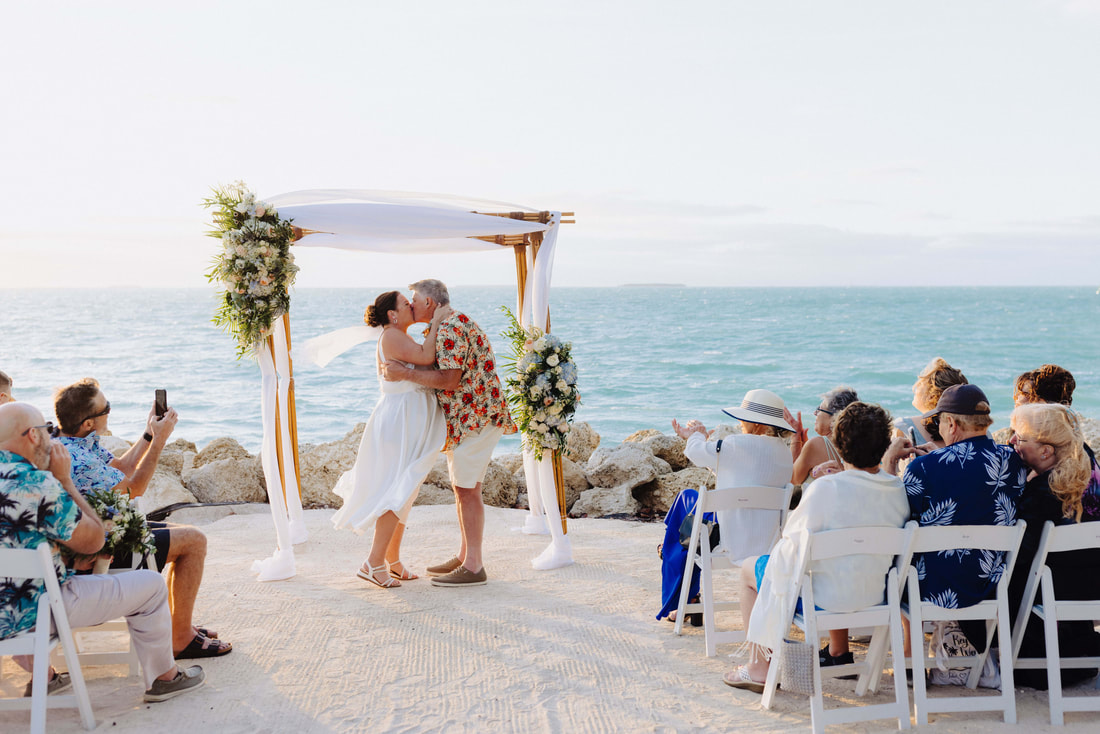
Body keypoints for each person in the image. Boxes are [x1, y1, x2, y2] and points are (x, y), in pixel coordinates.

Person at [0, 402, 205, 702]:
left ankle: (43, 676)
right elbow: (94, 541)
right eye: (47, 431)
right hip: (37, 614)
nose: (52, 438)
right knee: (150, 587)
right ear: (32, 435)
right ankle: (165, 677)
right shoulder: (38, 485)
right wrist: (65, 480)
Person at [725, 402, 910, 691]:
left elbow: (792, 541)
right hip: (876, 598)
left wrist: (825, 483)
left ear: (839, 444)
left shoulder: (827, 488)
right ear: (885, 445)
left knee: (751, 569)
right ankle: (829, 652)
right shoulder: (897, 489)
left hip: (824, 601)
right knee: (839, 565)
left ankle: (760, 666)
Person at [53, 378, 231, 659]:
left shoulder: (75, 444)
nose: (109, 411)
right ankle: (180, 639)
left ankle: (178, 627)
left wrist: (149, 433)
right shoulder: (82, 463)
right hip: (100, 554)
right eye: (106, 407)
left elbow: (123, 467)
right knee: (194, 541)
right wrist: (160, 442)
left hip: (103, 533)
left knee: (183, 533)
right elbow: (135, 488)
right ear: (88, 423)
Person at [381, 279, 517, 587]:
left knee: (468, 491)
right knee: (464, 489)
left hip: (476, 418)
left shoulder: (450, 328)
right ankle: (465, 556)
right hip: (470, 419)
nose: (411, 305)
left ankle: (473, 565)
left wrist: (404, 373)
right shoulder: (448, 325)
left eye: (413, 300)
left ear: (429, 303)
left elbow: (450, 380)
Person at [884, 383, 1026, 653]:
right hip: (992, 583)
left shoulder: (924, 467)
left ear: (951, 423)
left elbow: (896, 517)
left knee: (896, 557)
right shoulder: (1015, 461)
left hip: (931, 587)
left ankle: (910, 651)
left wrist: (890, 464)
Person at [330, 290, 450, 588]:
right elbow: (426, 357)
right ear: (393, 315)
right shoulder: (391, 336)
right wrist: (436, 323)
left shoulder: (398, 336)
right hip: (400, 423)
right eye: (406, 304)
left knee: (404, 492)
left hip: (406, 421)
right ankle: (373, 563)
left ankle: (392, 561)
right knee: (396, 491)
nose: (411, 306)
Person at [658, 389, 795, 622]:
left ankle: (680, 586)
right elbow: (739, 472)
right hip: (767, 544)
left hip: (729, 541)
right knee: (687, 514)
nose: (740, 422)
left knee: (686, 501)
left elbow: (695, 452)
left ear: (759, 426)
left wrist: (696, 434)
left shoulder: (736, 444)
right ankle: (677, 564)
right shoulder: (784, 454)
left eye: (744, 419)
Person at [1007, 402, 1100, 688]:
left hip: (1053, 593)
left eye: (1019, 438)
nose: (1011, 442)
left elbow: (1020, 556)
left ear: (1047, 451)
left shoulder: (1042, 494)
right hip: (1093, 590)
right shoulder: (1090, 474)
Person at [788, 386, 859, 488]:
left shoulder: (817, 445)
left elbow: (792, 482)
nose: (815, 413)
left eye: (819, 409)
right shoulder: (859, 446)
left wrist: (795, 438)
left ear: (834, 419)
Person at [893, 357, 967, 449]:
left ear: (932, 396)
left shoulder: (904, 426)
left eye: (921, 383)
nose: (915, 387)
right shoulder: (977, 433)